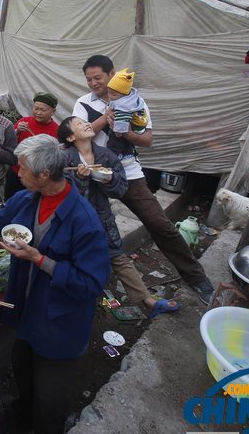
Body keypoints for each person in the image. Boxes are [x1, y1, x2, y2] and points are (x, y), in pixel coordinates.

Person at [0, 135, 110, 434]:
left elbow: (92, 283)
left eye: (23, 169)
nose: (17, 173)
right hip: (25, 308)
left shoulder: (84, 221)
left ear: (44, 175)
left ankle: (47, 432)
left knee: (50, 394)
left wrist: (41, 260)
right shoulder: (27, 199)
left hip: (59, 322)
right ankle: (21, 415)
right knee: (23, 370)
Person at [73, 54, 215, 304]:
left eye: (98, 77)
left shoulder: (135, 102)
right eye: (89, 79)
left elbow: (147, 140)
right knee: (86, 226)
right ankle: (85, 280)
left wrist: (126, 132)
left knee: (159, 223)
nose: (94, 83)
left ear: (112, 74)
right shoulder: (84, 103)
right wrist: (105, 118)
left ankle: (196, 278)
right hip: (94, 174)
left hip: (128, 173)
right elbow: (78, 134)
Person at [58, 116, 179, 318]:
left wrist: (109, 179)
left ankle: (149, 301)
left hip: (101, 217)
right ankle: (75, 304)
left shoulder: (106, 156)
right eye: (79, 124)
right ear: (71, 137)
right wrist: (79, 180)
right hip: (72, 221)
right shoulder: (64, 160)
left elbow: (121, 189)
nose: (86, 124)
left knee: (117, 256)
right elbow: (61, 193)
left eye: (84, 122)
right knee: (72, 258)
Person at [5, 91, 60, 199]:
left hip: (37, 177)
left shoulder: (56, 130)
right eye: (35, 108)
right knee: (10, 200)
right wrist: (17, 131)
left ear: (53, 111)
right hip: (17, 171)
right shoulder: (24, 122)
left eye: (43, 110)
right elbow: (9, 142)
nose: (38, 112)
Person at [106, 68, 148, 138]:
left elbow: (122, 119)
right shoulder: (131, 96)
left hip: (136, 127)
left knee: (114, 143)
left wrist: (118, 132)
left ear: (124, 94)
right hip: (142, 123)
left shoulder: (124, 105)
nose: (110, 96)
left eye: (113, 94)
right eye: (109, 92)